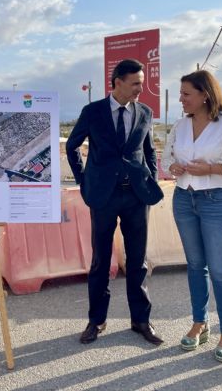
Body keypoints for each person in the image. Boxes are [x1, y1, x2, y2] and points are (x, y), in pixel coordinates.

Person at [66, 58, 164, 345]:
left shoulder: (144, 112)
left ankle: (141, 321)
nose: (139, 90)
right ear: (117, 82)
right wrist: (85, 181)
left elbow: (149, 152)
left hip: (136, 196)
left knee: (138, 261)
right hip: (103, 197)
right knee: (100, 261)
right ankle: (96, 321)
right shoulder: (93, 111)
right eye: (135, 84)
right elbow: (73, 147)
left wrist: (151, 179)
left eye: (141, 84)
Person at [161, 70, 222, 362]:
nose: (181, 99)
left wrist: (211, 169)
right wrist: (174, 167)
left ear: (205, 95)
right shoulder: (179, 125)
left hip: (218, 201)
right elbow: (166, 158)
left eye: (186, 93)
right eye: (181, 93)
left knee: (219, 270)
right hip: (184, 198)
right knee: (195, 265)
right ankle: (200, 324)